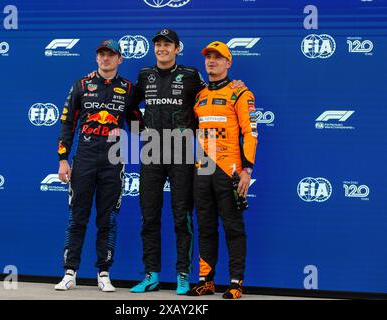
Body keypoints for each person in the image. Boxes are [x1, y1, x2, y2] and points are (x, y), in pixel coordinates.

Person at [54, 40, 143, 292]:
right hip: (84, 158)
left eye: (110, 55)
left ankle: (104, 273)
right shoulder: (81, 85)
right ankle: (70, 272)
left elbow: (137, 124)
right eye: (101, 54)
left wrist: (125, 137)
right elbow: (67, 123)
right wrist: (62, 159)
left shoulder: (128, 89)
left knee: (108, 219)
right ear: (96, 58)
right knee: (77, 217)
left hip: (113, 160)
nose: (105, 59)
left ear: (119, 59)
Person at [129, 29, 207, 295]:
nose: (162, 48)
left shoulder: (190, 75)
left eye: (167, 44)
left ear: (177, 48)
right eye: (158, 44)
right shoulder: (144, 75)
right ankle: (151, 275)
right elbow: (129, 106)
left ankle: (183, 275)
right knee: (149, 215)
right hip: (151, 153)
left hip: (182, 154)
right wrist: (140, 131)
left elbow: (208, 101)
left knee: (181, 216)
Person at [187, 41, 258, 299]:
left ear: (229, 63)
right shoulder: (200, 95)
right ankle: (206, 281)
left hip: (230, 171)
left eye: (218, 58)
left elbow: (250, 133)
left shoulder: (241, 93)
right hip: (202, 169)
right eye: (208, 57)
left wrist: (247, 170)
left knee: (233, 227)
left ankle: (236, 282)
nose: (212, 62)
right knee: (205, 226)